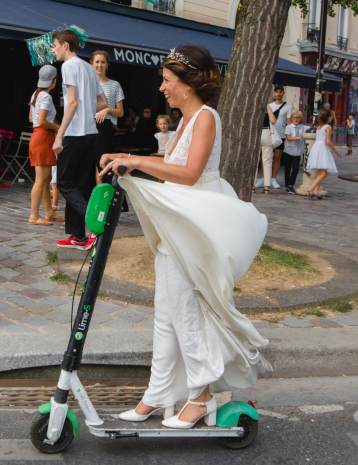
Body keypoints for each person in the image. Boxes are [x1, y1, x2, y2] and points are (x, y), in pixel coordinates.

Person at [100, 45, 270, 429]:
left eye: (166, 80)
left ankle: (201, 396)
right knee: (166, 312)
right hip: (176, 222)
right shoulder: (184, 121)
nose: (162, 88)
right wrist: (125, 161)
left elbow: (191, 173)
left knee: (183, 312)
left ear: (187, 85)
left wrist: (136, 161)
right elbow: (166, 169)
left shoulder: (206, 117)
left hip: (196, 223)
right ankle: (157, 394)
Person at [51, 29, 108, 250]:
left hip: (74, 134)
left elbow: (72, 103)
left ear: (65, 45)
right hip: (90, 134)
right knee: (80, 185)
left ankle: (93, 220)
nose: (53, 50)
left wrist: (59, 135)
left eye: (55, 45)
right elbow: (103, 103)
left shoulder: (68, 66)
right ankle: (78, 237)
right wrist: (87, 111)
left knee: (64, 183)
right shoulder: (88, 67)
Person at [28, 65, 62, 226]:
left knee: (46, 178)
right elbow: (41, 121)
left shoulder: (35, 94)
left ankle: (49, 212)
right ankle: (33, 215)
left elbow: (31, 119)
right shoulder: (47, 97)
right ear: (54, 81)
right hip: (43, 136)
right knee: (41, 180)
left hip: (38, 136)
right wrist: (58, 127)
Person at [91, 50, 124, 184]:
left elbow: (120, 112)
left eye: (102, 62)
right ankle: (91, 202)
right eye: (97, 62)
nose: (100, 65)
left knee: (104, 167)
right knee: (86, 167)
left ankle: (105, 201)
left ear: (107, 65)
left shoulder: (114, 84)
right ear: (92, 64)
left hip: (104, 128)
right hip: (86, 126)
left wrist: (108, 110)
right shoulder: (87, 84)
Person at [305, 108, 343, 200]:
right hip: (322, 149)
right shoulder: (328, 127)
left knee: (320, 173)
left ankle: (316, 193)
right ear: (329, 117)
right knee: (324, 174)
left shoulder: (319, 127)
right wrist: (336, 151)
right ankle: (310, 190)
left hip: (317, 148)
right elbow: (328, 141)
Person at [267, 84, 291, 189]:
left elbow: (288, 123)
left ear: (283, 93)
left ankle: (273, 178)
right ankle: (265, 178)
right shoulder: (269, 106)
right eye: (276, 92)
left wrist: (287, 136)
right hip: (269, 134)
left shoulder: (287, 107)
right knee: (267, 158)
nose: (278, 94)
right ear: (274, 93)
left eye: (280, 92)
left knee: (277, 157)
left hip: (281, 135)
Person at [282, 110, 308, 194]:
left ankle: (291, 184)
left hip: (298, 151)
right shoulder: (288, 127)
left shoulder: (303, 127)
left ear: (300, 118)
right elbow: (289, 138)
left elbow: (313, 128)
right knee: (287, 168)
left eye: (297, 117)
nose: (295, 119)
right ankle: (287, 185)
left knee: (296, 168)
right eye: (294, 117)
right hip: (289, 150)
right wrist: (299, 137)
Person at [254, 101, 277, 194]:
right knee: (267, 162)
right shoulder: (268, 108)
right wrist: (268, 108)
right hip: (266, 133)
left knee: (254, 162)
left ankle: (252, 186)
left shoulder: (253, 107)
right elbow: (273, 121)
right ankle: (266, 187)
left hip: (255, 133)